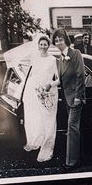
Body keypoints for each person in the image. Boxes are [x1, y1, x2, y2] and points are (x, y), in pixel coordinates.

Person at [20, 34, 59, 162]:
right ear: (38, 45)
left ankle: (48, 150)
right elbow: (32, 76)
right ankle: (37, 142)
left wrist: (50, 84)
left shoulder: (53, 60)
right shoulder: (35, 59)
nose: (43, 46)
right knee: (36, 120)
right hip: (36, 93)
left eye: (45, 44)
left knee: (49, 122)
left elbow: (59, 79)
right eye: (41, 44)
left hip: (49, 93)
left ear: (48, 45)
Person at [53, 28, 85, 169]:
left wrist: (78, 97)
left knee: (72, 128)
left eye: (60, 39)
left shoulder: (76, 53)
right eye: (56, 40)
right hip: (67, 98)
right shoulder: (59, 59)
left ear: (65, 40)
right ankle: (79, 157)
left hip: (76, 98)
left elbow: (81, 75)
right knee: (74, 128)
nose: (58, 42)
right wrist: (48, 85)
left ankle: (71, 162)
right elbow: (60, 80)